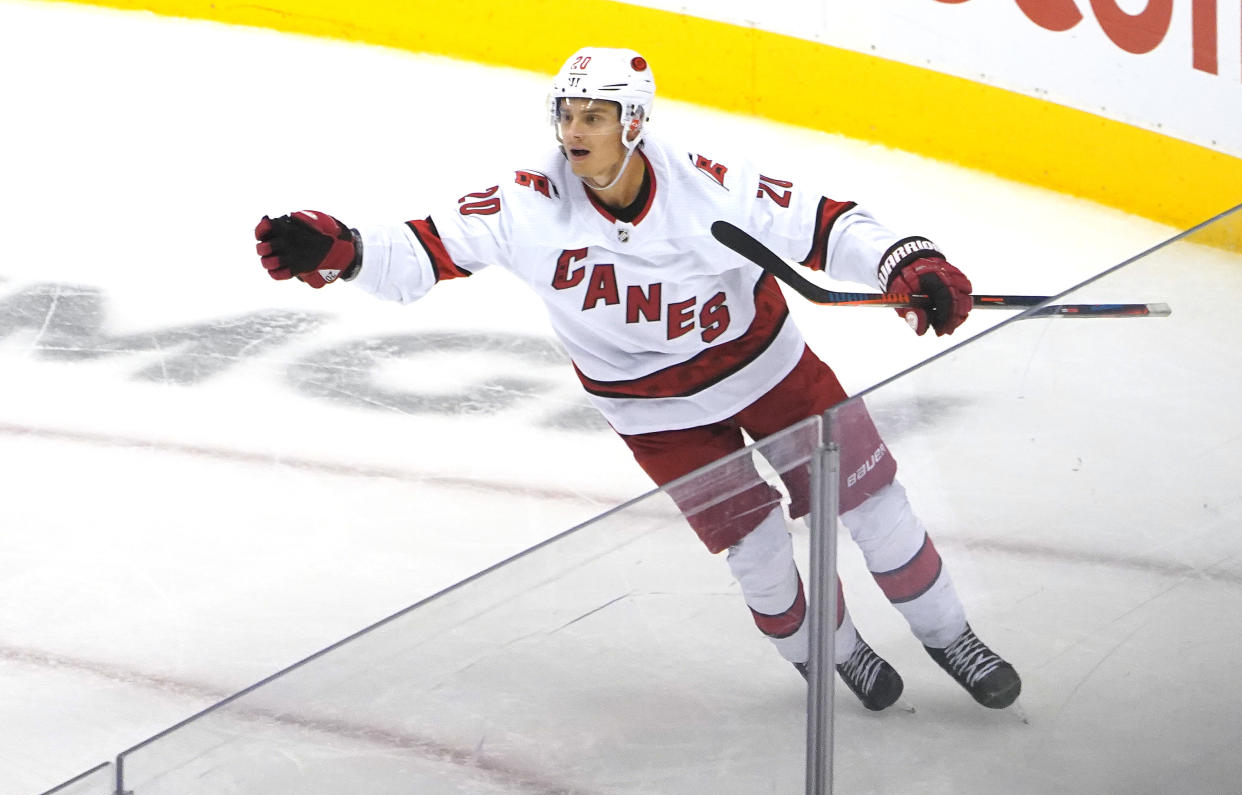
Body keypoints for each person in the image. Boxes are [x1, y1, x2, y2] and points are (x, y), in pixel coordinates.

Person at [254, 46, 1020, 711]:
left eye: (596, 115)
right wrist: (343, 248)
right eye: (568, 114)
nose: (576, 131)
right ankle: (834, 651)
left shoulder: (709, 187)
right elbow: (422, 249)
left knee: (872, 504)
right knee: (755, 552)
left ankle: (953, 638)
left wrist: (907, 264)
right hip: (655, 413)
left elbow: (827, 224)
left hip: (769, 370)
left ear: (635, 124)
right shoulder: (527, 205)